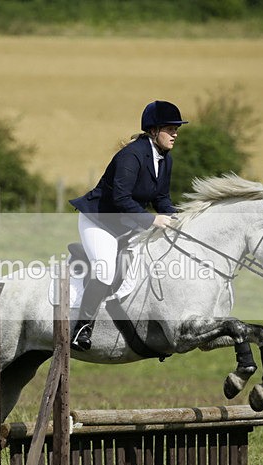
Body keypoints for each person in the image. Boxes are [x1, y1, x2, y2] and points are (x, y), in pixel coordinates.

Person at [67, 100, 187, 352]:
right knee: (105, 272)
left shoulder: (165, 159)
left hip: (126, 224)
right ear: (153, 130)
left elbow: (161, 198)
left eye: (177, 128)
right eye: (170, 128)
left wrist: (179, 220)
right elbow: (122, 198)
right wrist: (152, 219)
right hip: (100, 221)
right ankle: (81, 328)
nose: (175, 133)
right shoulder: (131, 155)